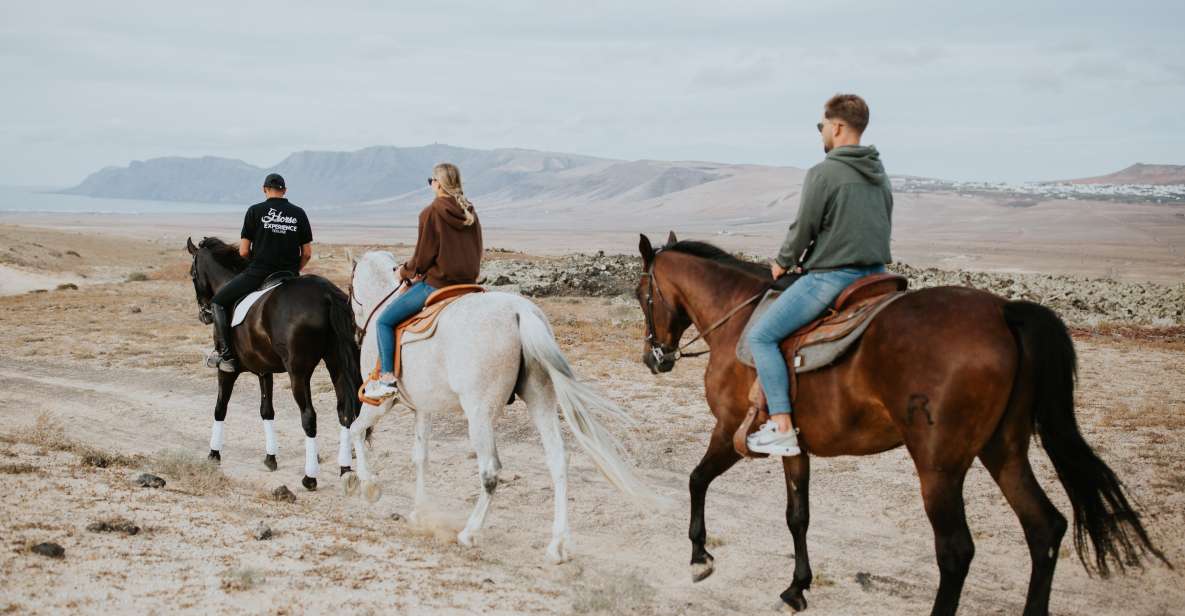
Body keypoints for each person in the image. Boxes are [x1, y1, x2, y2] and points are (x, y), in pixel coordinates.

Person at [745, 94, 893, 456]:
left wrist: (783, 260)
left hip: (834, 277)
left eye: (822, 126)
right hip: (878, 276)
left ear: (838, 126)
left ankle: (780, 426)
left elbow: (804, 227)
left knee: (761, 337)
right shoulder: (879, 173)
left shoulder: (824, 173)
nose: (822, 133)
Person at [363, 162, 482, 399]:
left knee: (384, 321)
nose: (431, 185)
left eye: (431, 181)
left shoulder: (432, 211)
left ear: (437, 183)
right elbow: (476, 250)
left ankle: (386, 379)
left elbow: (422, 257)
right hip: (469, 283)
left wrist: (405, 273)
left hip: (438, 285)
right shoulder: (469, 211)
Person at [207, 173, 313, 372]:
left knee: (218, 302)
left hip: (259, 273)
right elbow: (307, 253)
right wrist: (293, 270)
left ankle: (227, 354)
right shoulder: (299, 213)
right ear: (285, 191)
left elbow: (244, 251)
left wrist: (255, 265)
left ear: (265, 189)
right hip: (289, 275)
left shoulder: (255, 211)